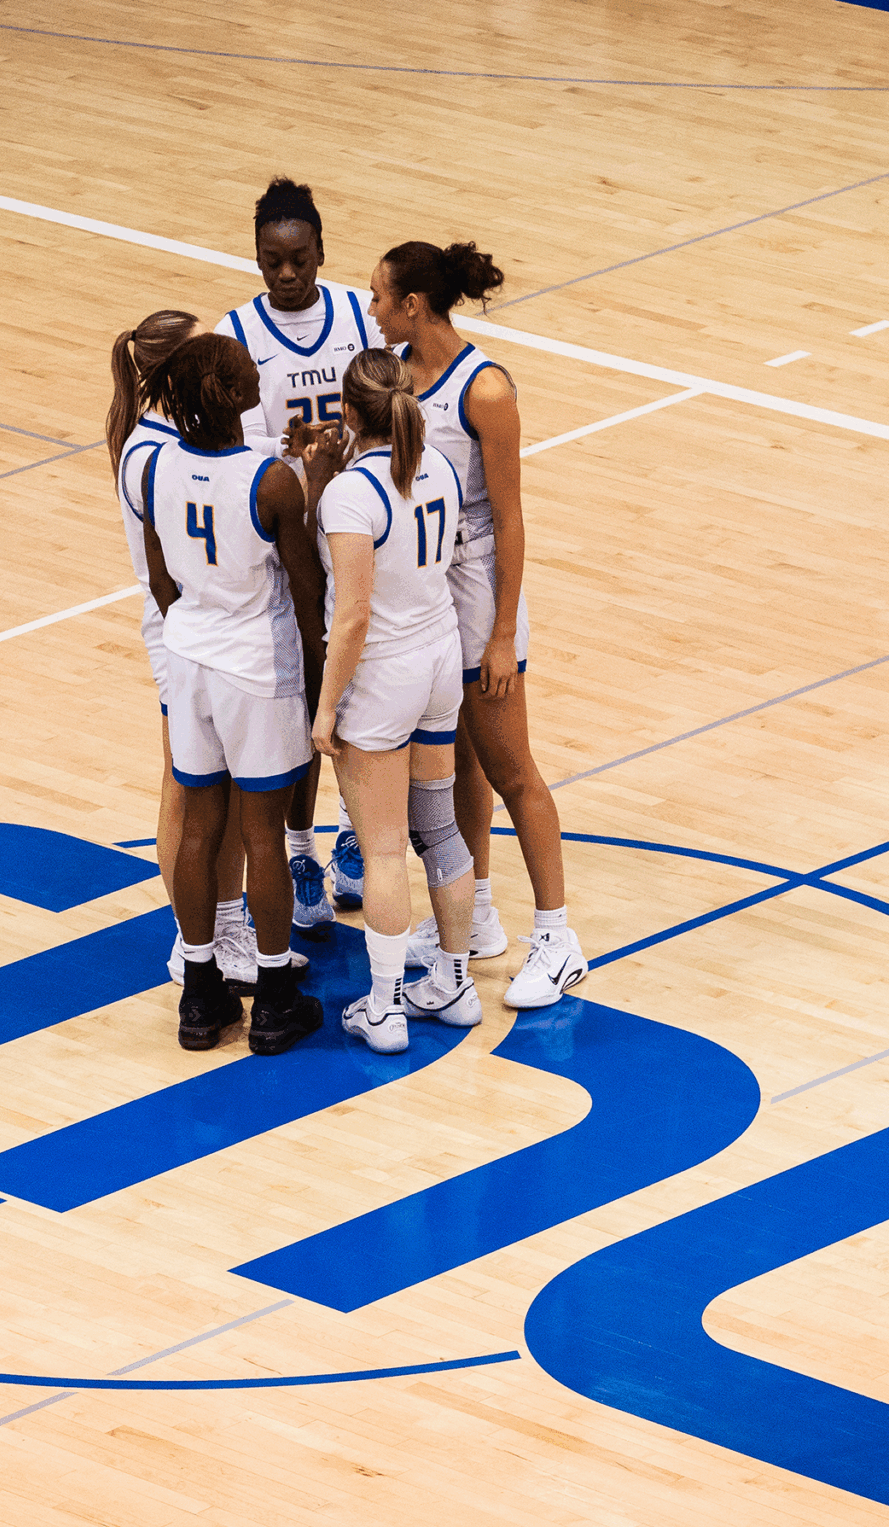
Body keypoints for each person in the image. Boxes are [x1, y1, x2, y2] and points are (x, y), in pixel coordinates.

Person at [370, 239, 586, 1008]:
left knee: (511, 767)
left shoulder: (484, 390)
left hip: (478, 588)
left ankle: (558, 938)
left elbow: (513, 517)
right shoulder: (395, 376)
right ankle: (479, 911)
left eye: (380, 297)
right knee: (461, 763)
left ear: (413, 305)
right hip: (428, 589)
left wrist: (500, 636)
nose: (372, 309)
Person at [127, 334, 327, 1055]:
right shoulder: (270, 483)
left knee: (200, 827)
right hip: (255, 668)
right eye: (246, 371)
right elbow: (308, 593)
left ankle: (199, 991)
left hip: (190, 658)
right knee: (261, 833)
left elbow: (160, 582)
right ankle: (273, 996)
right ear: (234, 393)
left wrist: (200, 622)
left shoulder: (153, 468)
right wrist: (321, 685)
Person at [303, 351, 481, 1053]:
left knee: (381, 850)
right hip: (439, 658)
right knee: (439, 830)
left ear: (349, 412)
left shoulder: (351, 494)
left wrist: (326, 707)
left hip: (383, 677)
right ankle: (456, 984)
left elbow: (351, 617)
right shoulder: (439, 464)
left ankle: (384, 1008)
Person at [221, 177, 384, 934]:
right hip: (286, 535)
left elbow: (391, 400)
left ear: (321, 249)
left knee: (359, 687)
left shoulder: (355, 314)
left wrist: (348, 453)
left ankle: (354, 831)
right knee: (303, 698)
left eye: (299, 258)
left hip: (357, 525)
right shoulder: (237, 331)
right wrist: (290, 457)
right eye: (272, 261)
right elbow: (235, 440)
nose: (286, 274)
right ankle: (297, 849)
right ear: (257, 257)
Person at [109, 310, 259, 992]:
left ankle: (224, 925)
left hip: (204, 626)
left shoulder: (177, 433)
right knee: (186, 785)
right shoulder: (151, 453)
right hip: (180, 628)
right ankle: (189, 937)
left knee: (216, 786)